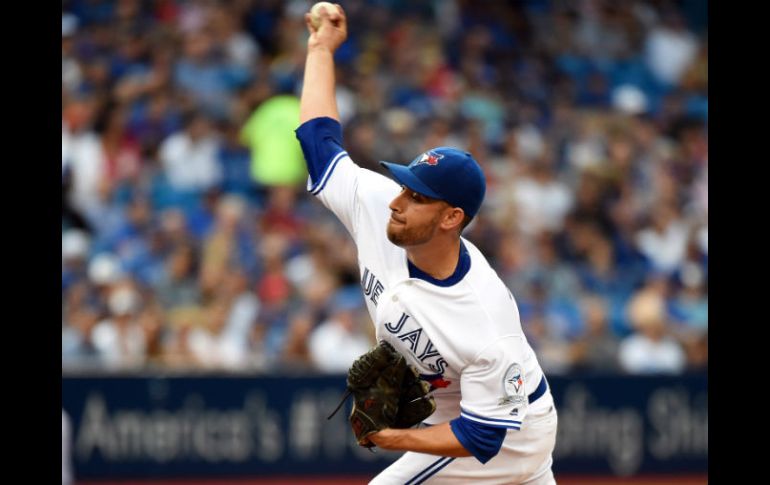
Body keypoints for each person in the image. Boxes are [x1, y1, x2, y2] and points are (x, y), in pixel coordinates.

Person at [294, 5, 557, 484]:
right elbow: (320, 145)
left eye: (417, 196)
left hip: (507, 434)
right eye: (403, 185)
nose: (398, 201)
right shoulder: (380, 207)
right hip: (480, 417)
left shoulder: (483, 317)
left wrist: (393, 437)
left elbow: (481, 438)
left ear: (451, 217)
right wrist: (320, 50)